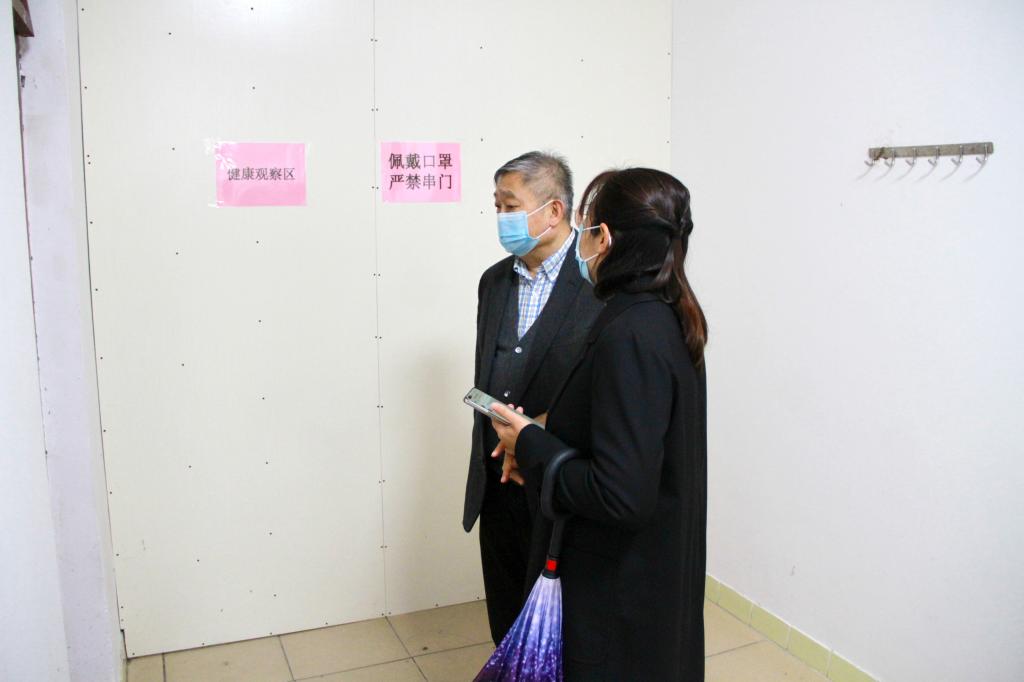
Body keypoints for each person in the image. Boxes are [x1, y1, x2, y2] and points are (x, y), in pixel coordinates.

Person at [491, 168, 708, 680]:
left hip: (617, 585)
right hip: (651, 575)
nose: (581, 241)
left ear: (603, 237)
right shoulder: (662, 314)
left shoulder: (631, 333)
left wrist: (532, 443)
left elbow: (620, 495)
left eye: (585, 227)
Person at [463, 151, 603, 645]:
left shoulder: (596, 282)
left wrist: (539, 438)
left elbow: (601, 390)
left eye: (511, 206)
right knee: (505, 612)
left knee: (558, 625)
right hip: (496, 480)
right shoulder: (494, 281)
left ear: (554, 211)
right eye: (496, 206)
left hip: (559, 479)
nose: (501, 217)